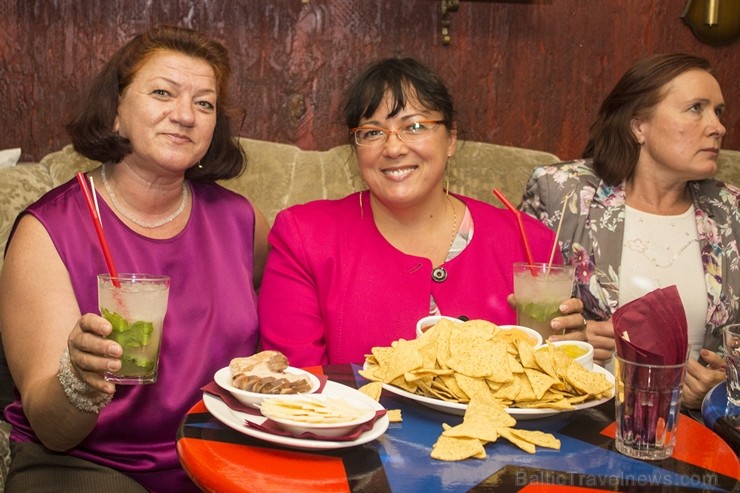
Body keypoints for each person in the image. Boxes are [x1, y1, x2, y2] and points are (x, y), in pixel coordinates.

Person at [0, 25, 269, 492]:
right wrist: (78, 381)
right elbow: (52, 428)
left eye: (204, 103)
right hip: (89, 465)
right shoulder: (48, 231)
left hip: (219, 459)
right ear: (116, 112)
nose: (185, 115)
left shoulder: (241, 220)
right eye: (163, 92)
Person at [258, 57, 586, 367]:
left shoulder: (529, 240)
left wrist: (569, 352)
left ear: (451, 139)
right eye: (372, 132)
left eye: (414, 126)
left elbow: (549, 384)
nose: (394, 148)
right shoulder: (304, 236)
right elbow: (294, 384)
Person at [519, 53, 734, 409]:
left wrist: (721, 387)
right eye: (696, 108)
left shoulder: (732, 212)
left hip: (693, 435)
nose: (718, 126)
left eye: (718, 111)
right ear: (639, 126)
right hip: (578, 420)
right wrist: (573, 343)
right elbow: (514, 312)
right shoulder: (563, 193)